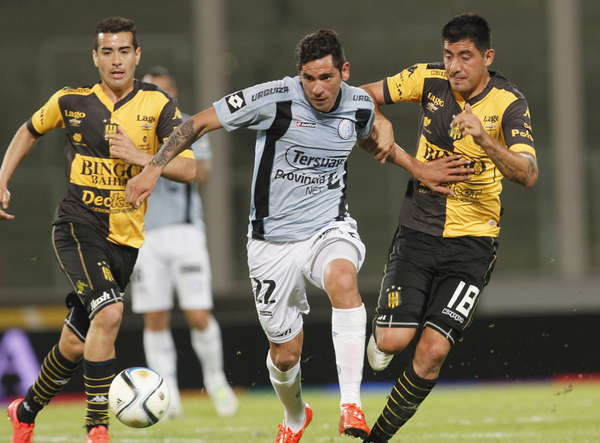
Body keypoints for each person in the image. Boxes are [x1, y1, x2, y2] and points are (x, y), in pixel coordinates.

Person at [125, 29, 472, 443]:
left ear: (344, 72)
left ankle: (351, 404)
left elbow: (368, 137)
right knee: (285, 354)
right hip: (270, 243)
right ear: (299, 75)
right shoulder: (274, 99)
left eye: (326, 77)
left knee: (343, 279)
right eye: (309, 78)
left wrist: (417, 167)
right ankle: (294, 416)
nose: (318, 88)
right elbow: (197, 123)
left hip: (328, 227)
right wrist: (152, 169)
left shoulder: (358, 104)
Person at [1, 17, 196, 443]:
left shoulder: (159, 105)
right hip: (77, 227)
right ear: (95, 57)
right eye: (107, 52)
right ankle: (97, 426)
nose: (116, 60)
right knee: (109, 313)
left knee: (76, 343)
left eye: (124, 51)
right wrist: (2, 177)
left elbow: (190, 168)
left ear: (137, 55)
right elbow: (28, 131)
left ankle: (25, 410)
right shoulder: (71, 101)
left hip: (125, 241)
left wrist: (142, 157)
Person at [359, 13, 539, 442]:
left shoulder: (509, 102)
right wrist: (380, 119)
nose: (454, 66)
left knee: (433, 350)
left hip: (473, 244)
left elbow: (528, 174)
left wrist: (486, 141)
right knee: (393, 341)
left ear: (487, 57)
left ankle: (377, 438)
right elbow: (359, 96)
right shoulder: (427, 79)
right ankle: (380, 340)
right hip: (418, 231)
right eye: (448, 55)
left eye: (465, 56)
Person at [129, 66, 237, 418]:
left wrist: (153, 161)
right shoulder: (131, 127)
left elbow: (201, 173)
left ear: (173, 94)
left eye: (162, 91)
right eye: (150, 91)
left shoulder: (189, 125)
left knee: (198, 314)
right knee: (155, 317)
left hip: (185, 231)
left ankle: (216, 381)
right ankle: (166, 391)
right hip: (145, 235)